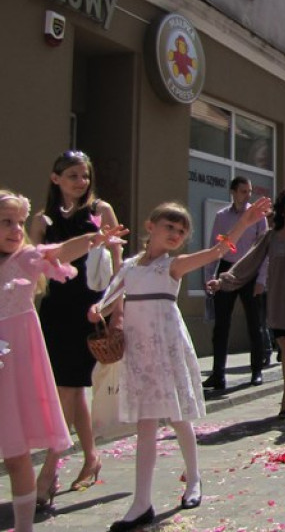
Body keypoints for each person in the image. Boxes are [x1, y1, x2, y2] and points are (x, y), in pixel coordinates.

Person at [94, 199, 269, 532]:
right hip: (140, 353)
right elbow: (108, 298)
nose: (175, 234)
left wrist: (243, 224)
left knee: (178, 418)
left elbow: (216, 254)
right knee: (146, 424)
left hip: (167, 348)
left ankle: (194, 478)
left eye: (181, 230)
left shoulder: (172, 266)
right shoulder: (130, 266)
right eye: (169, 227)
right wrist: (97, 310)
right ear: (151, 227)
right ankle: (141, 502)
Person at [0, 191, 124, 531]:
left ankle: (23, 525)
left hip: (18, 364)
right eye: (5, 222)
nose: (15, 229)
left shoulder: (25, 258)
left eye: (19, 223)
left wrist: (95, 238)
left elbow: (60, 251)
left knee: (17, 452)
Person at [30, 150, 123, 497]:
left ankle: (50, 471)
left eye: (85, 176)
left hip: (90, 311)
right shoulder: (42, 221)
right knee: (71, 389)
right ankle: (91, 458)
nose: (81, 182)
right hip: (55, 314)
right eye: (73, 175)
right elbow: (33, 270)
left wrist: (116, 311)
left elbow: (118, 268)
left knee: (68, 390)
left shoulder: (101, 212)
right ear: (56, 179)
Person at [208, 187, 285, 419]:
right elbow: (249, 260)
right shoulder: (272, 235)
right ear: (282, 209)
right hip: (278, 298)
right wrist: (224, 281)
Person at [203, 177, 269, 390]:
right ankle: (218, 374)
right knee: (221, 325)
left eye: (249, 191)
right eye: (243, 191)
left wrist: (261, 279)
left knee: (254, 325)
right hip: (227, 271)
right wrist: (209, 277)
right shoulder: (222, 216)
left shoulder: (258, 216)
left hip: (249, 270)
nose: (247, 195)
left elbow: (264, 248)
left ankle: (257, 370)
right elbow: (215, 246)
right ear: (233, 192)